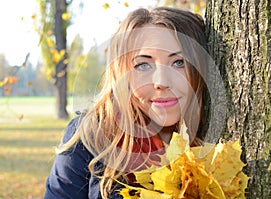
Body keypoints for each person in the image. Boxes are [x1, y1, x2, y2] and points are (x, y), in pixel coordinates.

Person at [44, 6, 208, 199]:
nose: (161, 82)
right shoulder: (90, 135)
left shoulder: (219, 140)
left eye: (179, 62)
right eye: (143, 65)